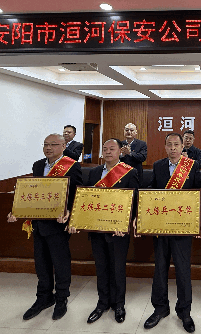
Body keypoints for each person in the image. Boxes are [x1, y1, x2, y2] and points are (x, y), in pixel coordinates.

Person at [7, 134, 82, 321]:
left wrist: (70, 212)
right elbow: (34, 192)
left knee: (60, 263)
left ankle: (61, 298)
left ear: (63, 146)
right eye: (46, 144)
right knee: (41, 263)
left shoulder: (72, 166)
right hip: (38, 222)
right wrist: (18, 210)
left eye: (53, 144)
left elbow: (78, 193)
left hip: (58, 223)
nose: (48, 148)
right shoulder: (38, 165)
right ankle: (44, 298)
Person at [70, 138, 139, 325]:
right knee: (101, 267)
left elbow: (135, 200)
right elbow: (86, 199)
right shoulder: (93, 172)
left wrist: (126, 223)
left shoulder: (130, 172)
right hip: (97, 229)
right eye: (105, 149)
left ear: (120, 151)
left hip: (118, 231)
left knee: (118, 268)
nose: (108, 152)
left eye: (112, 149)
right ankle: (102, 303)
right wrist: (77, 219)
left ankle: (119, 304)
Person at [144, 133, 201, 333]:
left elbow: (199, 193)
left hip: (183, 226)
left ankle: (184, 312)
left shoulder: (192, 166)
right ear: (165, 147)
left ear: (182, 147)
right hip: (161, 226)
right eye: (169, 145)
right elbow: (152, 189)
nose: (172, 148)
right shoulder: (158, 166)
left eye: (176, 145)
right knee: (160, 269)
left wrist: (200, 217)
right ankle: (160, 308)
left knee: (183, 270)